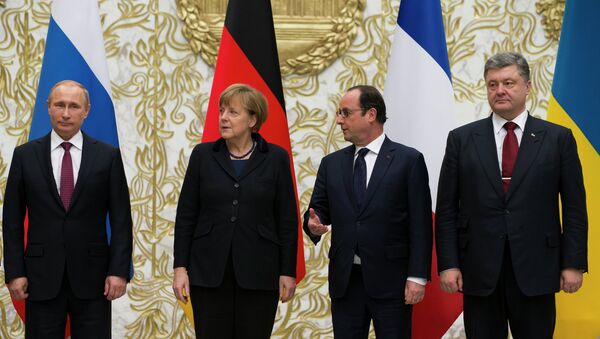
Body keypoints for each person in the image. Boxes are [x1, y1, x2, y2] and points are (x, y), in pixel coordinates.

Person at [435, 52, 588, 338]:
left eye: (508, 82)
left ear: (528, 87)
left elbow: (575, 208)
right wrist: (449, 264)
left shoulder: (558, 138)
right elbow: (446, 209)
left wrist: (573, 263)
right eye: (492, 84)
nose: (500, 90)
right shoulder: (461, 139)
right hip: (479, 271)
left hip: (537, 268)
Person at [2, 80, 133, 338]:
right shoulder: (25, 156)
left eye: (74, 106)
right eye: (59, 105)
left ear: (86, 111)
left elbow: (121, 219)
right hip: (40, 277)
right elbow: (12, 220)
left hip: (94, 278)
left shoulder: (107, 156)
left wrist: (118, 271)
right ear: (48, 107)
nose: (65, 113)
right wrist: (14, 272)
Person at [304, 85, 432, 338]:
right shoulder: (332, 164)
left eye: (345, 113)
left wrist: (417, 277)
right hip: (346, 281)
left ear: (371, 114)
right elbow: (318, 211)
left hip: (392, 281)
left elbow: (421, 225)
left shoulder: (408, 160)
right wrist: (312, 225)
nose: (339, 120)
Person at [172, 83, 298, 339]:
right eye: (221, 111)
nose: (223, 118)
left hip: (260, 271)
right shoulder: (203, 155)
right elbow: (186, 215)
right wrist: (180, 268)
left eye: (233, 112)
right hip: (208, 271)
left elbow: (287, 219)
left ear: (253, 119)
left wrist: (288, 271)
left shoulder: (276, 158)